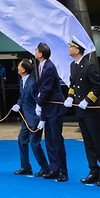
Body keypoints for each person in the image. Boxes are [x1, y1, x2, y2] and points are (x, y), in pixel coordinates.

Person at [65, 39, 100, 186]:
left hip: (90, 111)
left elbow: (97, 86)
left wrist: (87, 101)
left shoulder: (89, 66)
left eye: (71, 46)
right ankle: (93, 170)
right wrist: (70, 97)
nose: (69, 48)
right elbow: (72, 85)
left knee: (97, 142)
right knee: (88, 142)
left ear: (77, 50)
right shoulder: (73, 66)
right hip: (80, 111)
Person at [33, 42, 67, 181]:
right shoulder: (41, 66)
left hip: (55, 109)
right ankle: (54, 168)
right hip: (47, 109)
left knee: (56, 140)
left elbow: (46, 89)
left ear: (41, 54)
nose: (34, 51)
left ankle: (63, 171)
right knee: (49, 140)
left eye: (36, 50)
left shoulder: (49, 67)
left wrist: (39, 103)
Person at [11, 58, 48, 177]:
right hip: (26, 118)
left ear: (24, 69)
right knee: (22, 140)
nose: (17, 67)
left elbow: (39, 101)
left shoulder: (32, 84)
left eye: (19, 66)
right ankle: (25, 166)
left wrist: (42, 118)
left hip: (35, 118)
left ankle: (45, 168)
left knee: (34, 143)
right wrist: (18, 104)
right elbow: (22, 96)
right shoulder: (23, 81)